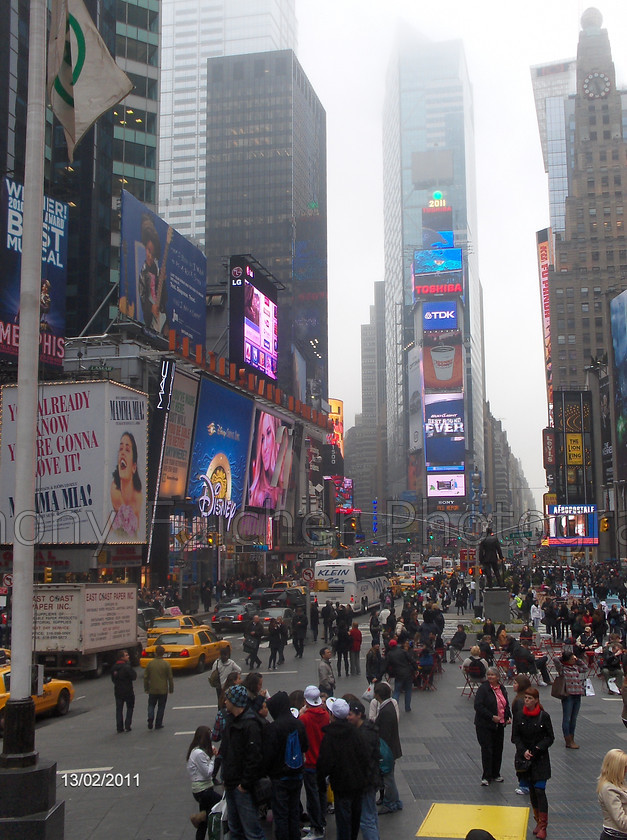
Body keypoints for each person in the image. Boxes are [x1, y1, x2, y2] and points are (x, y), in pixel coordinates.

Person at [317, 698, 369, 840]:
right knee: (355, 819)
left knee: (343, 821)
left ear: (332, 715)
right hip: (357, 783)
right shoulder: (356, 733)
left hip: (341, 785)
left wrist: (321, 782)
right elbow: (365, 757)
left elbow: (324, 763)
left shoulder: (329, 737)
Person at [221, 684, 266, 840]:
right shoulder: (231, 721)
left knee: (252, 831)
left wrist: (244, 784)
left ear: (235, 702)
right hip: (231, 783)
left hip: (242, 787)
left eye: (227, 699)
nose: (225, 701)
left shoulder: (250, 724)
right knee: (235, 829)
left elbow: (254, 758)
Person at [265, 691, 309, 840]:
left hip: (279, 776)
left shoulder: (274, 727)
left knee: (281, 814)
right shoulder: (298, 723)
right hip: (296, 774)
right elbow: (305, 747)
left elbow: (269, 754)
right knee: (293, 810)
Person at [511, 686, 554, 839]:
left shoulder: (544, 717)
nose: (527, 701)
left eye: (530, 698)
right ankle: (537, 820)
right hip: (526, 760)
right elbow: (515, 737)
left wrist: (537, 749)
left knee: (540, 790)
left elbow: (550, 738)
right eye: (526, 698)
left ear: (536, 700)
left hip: (540, 759)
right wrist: (523, 751)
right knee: (533, 792)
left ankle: (543, 825)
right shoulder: (519, 716)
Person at [346, 698, 381, 840]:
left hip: (364, 781)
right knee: (371, 814)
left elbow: (363, 759)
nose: (348, 717)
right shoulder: (369, 729)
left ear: (359, 714)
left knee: (366, 819)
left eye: (350, 715)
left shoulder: (362, 734)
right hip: (371, 778)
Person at [300, 686, 329, 840]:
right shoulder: (325, 716)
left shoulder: (304, 718)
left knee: (313, 797)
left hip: (310, 763)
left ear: (306, 701)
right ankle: (320, 823)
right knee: (322, 794)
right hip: (323, 763)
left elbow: (297, 730)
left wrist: (300, 713)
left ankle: (316, 828)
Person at [474, 666, 511, 785]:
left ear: (498, 677)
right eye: (488, 675)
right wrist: (491, 716)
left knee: (498, 749)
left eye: (492, 675)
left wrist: (508, 716)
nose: (490, 677)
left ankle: (496, 773)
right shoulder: (483, 689)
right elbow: (478, 706)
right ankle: (486, 775)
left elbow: (505, 704)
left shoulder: (502, 688)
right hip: (485, 725)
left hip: (499, 724)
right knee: (487, 749)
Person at [187, 725, 221, 839]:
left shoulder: (199, 751)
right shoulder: (198, 753)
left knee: (204, 823)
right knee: (222, 803)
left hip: (204, 788)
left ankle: (201, 817)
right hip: (203, 790)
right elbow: (207, 772)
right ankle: (199, 817)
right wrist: (212, 759)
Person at [374, 682, 403, 814]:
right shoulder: (389, 706)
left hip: (388, 750)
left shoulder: (385, 711)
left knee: (388, 778)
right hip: (392, 748)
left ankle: (390, 803)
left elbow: (384, 735)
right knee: (389, 777)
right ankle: (395, 800)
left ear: (378, 695)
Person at [138, 215, 169, 336]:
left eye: (152, 251)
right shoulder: (143, 270)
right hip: (147, 319)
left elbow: (164, 299)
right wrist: (151, 307)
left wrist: (163, 281)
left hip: (161, 316)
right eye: (148, 250)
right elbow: (142, 296)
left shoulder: (156, 268)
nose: (150, 255)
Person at [110, 432, 143, 538]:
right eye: (121, 449)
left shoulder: (139, 500)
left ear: (134, 467)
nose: (122, 453)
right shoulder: (113, 492)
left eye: (127, 450)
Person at [248, 411, 283, 509]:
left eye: (268, 433)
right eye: (262, 439)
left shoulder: (285, 487)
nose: (264, 447)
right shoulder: (260, 496)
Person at [555, 651, 587, 748]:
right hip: (568, 695)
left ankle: (572, 738)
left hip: (577, 695)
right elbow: (555, 660)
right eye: (572, 659)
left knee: (574, 718)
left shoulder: (576, 667)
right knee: (567, 718)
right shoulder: (563, 669)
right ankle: (568, 740)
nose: (574, 660)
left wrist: (578, 660)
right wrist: (563, 658)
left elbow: (585, 668)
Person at [597, 748, 627, 840]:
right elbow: (621, 821)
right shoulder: (608, 790)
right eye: (625, 767)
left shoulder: (619, 783)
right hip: (616, 836)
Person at [510, 674, 532, 796]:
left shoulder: (519, 701)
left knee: (522, 759)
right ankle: (527, 783)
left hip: (522, 735)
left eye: (515, 683)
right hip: (526, 734)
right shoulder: (524, 698)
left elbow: (519, 719)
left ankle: (524, 785)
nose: (513, 685)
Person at [144, 644, 173, 729]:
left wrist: (146, 688)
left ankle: (150, 717)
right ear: (163, 653)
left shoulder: (150, 664)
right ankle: (158, 723)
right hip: (163, 689)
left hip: (152, 689)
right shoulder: (166, 664)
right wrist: (171, 688)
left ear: (155, 653)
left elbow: (146, 677)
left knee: (151, 705)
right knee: (161, 706)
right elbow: (170, 678)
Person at [385, 637, 417, 712]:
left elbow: (387, 665)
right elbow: (411, 660)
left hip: (398, 674)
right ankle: (407, 707)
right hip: (407, 673)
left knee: (397, 691)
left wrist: (388, 673)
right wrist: (416, 669)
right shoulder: (403, 652)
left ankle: (395, 707)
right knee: (408, 690)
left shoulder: (389, 654)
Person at [111, 649, 136, 733]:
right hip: (128, 690)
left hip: (118, 691)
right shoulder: (127, 667)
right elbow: (134, 676)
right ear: (122, 657)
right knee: (130, 707)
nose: (128, 656)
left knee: (119, 709)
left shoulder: (114, 667)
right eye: (126, 655)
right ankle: (127, 725)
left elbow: (113, 679)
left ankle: (119, 727)